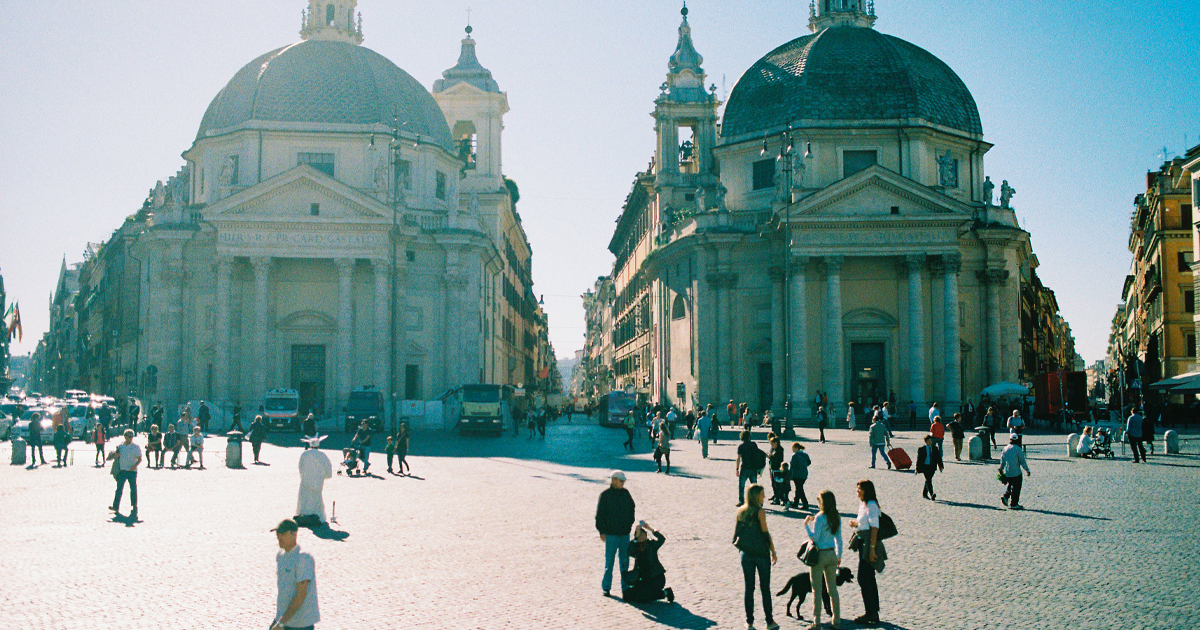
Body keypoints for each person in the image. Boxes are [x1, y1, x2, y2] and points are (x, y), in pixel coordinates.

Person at [733, 484, 778, 630]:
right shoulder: (760, 512)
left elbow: (736, 533)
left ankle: (749, 622)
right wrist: (773, 551)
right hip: (760, 554)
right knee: (765, 588)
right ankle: (769, 622)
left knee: (749, 588)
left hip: (746, 554)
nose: (764, 497)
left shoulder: (741, 511)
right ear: (756, 496)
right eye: (762, 494)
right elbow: (765, 533)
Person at [804, 490, 843, 629]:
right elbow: (839, 538)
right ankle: (836, 620)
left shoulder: (820, 517)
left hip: (820, 555)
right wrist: (839, 556)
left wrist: (806, 525)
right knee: (832, 590)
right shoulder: (835, 516)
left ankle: (817, 622)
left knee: (817, 589)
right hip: (832, 554)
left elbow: (815, 538)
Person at [271, 519, 320, 629]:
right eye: (277, 533)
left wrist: (281, 623)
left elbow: (300, 595)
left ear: (294, 534)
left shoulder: (303, 558)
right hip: (283, 618)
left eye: (282, 533)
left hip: (300, 624)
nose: (279, 537)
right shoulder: (280, 556)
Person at [848, 480, 883, 626]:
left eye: (859, 489)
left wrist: (872, 549)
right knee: (868, 576)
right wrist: (855, 524)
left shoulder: (872, 505)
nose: (857, 491)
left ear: (866, 490)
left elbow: (874, 527)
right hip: (863, 542)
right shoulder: (863, 504)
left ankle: (871, 612)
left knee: (863, 577)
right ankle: (873, 610)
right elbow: (864, 522)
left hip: (869, 544)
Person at [596, 470, 636, 597]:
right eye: (621, 481)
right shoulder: (605, 495)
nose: (622, 484)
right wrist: (602, 531)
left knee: (624, 562)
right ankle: (606, 587)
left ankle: (625, 587)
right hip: (611, 535)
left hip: (624, 534)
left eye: (623, 481)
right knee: (609, 562)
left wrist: (629, 524)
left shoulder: (626, 494)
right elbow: (599, 515)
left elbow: (632, 509)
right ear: (614, 480)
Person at [622, 522, 674, 603]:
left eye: (643, 534)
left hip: (656, 578)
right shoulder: (636, 548)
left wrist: (650, 529)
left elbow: (662, 539)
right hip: (643, 579)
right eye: (640, 535)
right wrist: (635, 537)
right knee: (627, 595)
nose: (642, 536)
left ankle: (666, 593)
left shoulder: (651, 545)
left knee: (644, 597)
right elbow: (629, 551)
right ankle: (657, 594)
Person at [297, 436, 332, 526]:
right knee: (316, 497)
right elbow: (328, 467)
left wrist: (303, 475)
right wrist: (326, 476)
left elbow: (300, 466)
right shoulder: (322, 455)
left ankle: (303, 514)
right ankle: (317, 515)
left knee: (304, 497)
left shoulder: (304, 454)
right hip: (318, 481)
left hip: (305, 479)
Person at [108, 429, 141, 519]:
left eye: (131, 436)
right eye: (128, 436)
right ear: (125, 436)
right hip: (122, 470)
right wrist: (115, 455)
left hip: (132, 471)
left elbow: (139, 458)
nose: (130, 438)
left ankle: (134, 506)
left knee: (133, 489)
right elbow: (116, 457)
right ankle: (115, 506)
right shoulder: (120, 446)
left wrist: (135, 465)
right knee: (119, 489)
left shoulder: (135, 447)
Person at [1000, 434, 1031, 509]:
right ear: (1017, 440)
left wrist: (1001, 469)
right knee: (1016, 488)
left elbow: (1002, 461)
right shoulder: (1018, 449)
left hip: (1008, 471)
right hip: (1016, 472)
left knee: (1010, 485)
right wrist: (1027, 470)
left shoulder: (1005, 449)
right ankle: (1014, 503)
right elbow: (1022, 461)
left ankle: (1006, 496)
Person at [736, 431, 766, 506]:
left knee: (741, 486)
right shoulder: (753, 444)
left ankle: (741, 501)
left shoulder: (741, 446)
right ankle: (757, 501)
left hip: (745, 467)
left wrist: (737, 468)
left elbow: (738, 458)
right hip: (753, 468)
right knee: (755, 486)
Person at [915, 434, 944, 500]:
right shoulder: (921, 449)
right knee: (928, 480)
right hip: (925, 466)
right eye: (928, 441)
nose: (930, 442)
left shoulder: (935, 448)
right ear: (925, 441)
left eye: (931, 440)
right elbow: (919, 459)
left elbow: (938, 458)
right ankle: (932, 494)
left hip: (932, 466)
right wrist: (917, 468)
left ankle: (924, 493)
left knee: (928, 480)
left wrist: (941, 466)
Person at [789, 443, 811, 509]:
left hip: (797, 474)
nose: (792, 449)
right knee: (798, 488)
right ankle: (796, 502)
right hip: (804, 473)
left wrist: (790, 474)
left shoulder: (795, 456)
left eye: (793, 448)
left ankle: (805, 503)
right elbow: (809, 462)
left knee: (799, 489)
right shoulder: (805, 455)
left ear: (796, 448)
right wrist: (803, 466)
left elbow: (792, 466)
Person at [767, 436, 785, 504]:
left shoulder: (779, 449)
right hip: (773, 468)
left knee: (777, 485)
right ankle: (776, 497)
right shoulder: (774, 449)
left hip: (777, 469)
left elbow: (777, 459)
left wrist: (770, 456)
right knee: (774, 484)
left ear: (776, 443)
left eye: (772, 443)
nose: (771, 445)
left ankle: (777, 498)